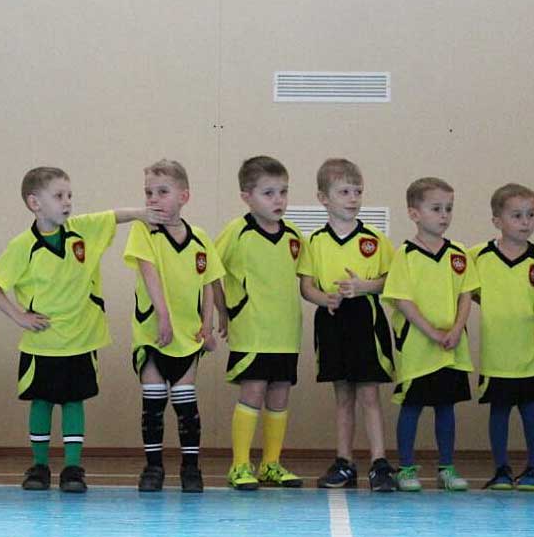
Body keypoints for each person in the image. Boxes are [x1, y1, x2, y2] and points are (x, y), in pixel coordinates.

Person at [0, 166, 165, 493]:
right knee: (41, 402)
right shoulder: (22, 245)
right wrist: (19, 316)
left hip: (82, 339)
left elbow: (113, 216)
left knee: (73, 402)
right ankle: (39, 466)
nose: (67, 202)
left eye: (69, 195)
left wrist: (142, 213)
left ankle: (72, 468)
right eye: (58, 196)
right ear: (35, 203)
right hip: (42, 343)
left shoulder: (82, 230)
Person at [297, 158, 397, 491]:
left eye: (358, 191)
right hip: (332, 320)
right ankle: (344, 462)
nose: (353, 198)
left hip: (365, 318)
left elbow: (391, 281)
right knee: (342, 396)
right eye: (344, 192)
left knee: (369, 393)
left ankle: (379, 462)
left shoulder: (375, 240)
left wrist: (364, 286)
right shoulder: (314, 242)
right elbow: (306, 286)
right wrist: (323, 298)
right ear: (323, 198)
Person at [123, 160, 223, 493]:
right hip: (153, 333)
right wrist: (163, 316)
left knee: (185, 401)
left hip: (187, 336)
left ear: (184, 196)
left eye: (162, 192)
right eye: (148, 193)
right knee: (153, 401)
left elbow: (208, 283)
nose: (153, 198)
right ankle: (153, 467)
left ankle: (191, 468)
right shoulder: (144, 231)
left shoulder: (200, 239)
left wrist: (207, 327)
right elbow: (148, 272)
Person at [380, 177, 478, 492]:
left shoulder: (459, 253)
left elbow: (466, 295)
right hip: (418, 347)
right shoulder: (405, 254)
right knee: (412, 406)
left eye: (448, 208)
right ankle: (406, 468)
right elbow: (402, 300)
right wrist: (432, 332)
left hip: (451, 346)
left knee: (446, 407)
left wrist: (456, 329)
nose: (444, 215)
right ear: (414, 213)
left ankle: (446, 468)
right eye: (436, 208)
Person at [214, 156, 305, 490]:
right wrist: (222, 310)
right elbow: (209, 271)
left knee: (279, 396)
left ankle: (271, 464)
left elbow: (306, 279)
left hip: (286, 333)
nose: (278, 200)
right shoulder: (236, 232)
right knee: (252, 392)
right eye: (268, 193)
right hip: (252, 331)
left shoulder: (294, 235)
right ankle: (239, 465)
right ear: (246, 197)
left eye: (283, 192)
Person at [469, 184, 534, 491]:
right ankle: (501, 469)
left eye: (531, 215)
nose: (525, 222)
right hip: (496, 353)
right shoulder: (477, 256)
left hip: (533, 352)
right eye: (517, 215)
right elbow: (466, 292)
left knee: (531, 411)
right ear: (497, 220)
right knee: (499, 412)